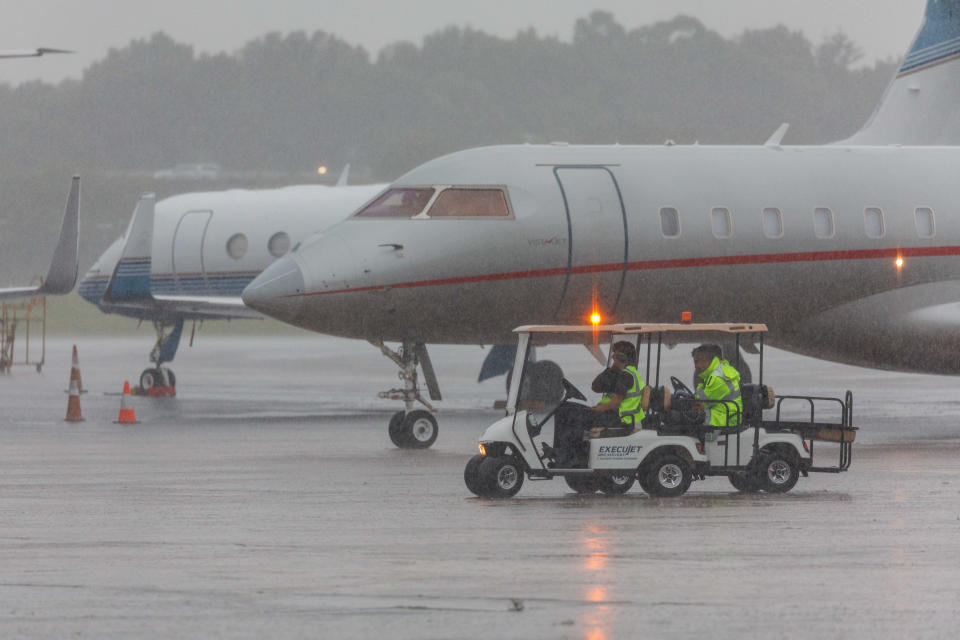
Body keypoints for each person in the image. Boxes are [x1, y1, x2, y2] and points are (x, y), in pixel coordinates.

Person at [549, 341, 647, 467]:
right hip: (612, 415)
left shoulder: (626, 376)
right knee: (566, 408)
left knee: (566, 412)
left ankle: (565, 457)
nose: (613, 357)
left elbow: (616, 403)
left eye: (615, 355)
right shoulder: (623, 373)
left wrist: (596, 410)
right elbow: (596, 387)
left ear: (622, 357)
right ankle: (564, 454)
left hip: (617, 418)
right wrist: (612, 368)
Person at [691, 344, 742, 428]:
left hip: (725, 419)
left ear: (709, 361)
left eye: (697, 361)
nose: (696, 366)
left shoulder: (718, 378)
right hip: (722, 415)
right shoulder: (718, 373)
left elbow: (702, 403)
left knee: (686, 418)